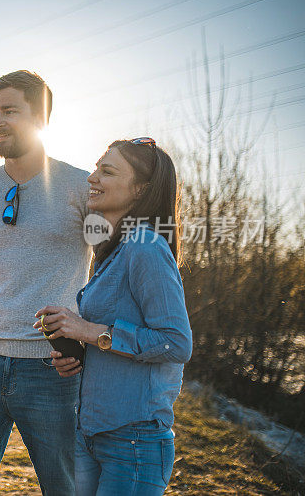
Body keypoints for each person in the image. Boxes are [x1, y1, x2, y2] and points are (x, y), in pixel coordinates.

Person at [0, 70, 91, 495]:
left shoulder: (84, 188)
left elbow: (110, 268)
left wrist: (85, 336)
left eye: (9, 110)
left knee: (65, 487)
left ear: (42, 116)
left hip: (55, 368)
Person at [37, 137, 192, 495]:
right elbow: (108, 337)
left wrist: (90, 331)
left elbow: (176, 343)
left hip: (134, 439)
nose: (92, 177)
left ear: (139, 190)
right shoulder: (111, 251)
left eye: (107, 171)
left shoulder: (146, 246)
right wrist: (76, 350)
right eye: (96, 167)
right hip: (90, 432)